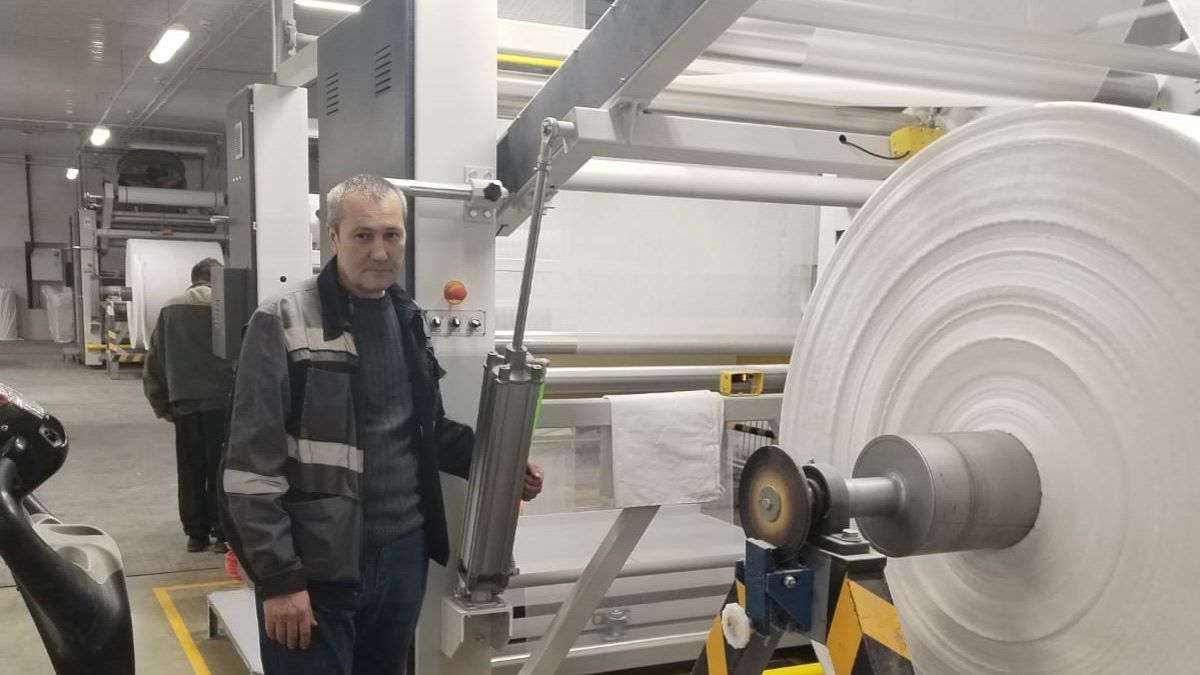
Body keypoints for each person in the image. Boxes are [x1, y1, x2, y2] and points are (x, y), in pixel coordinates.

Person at [220, 174, 544, 675]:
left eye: (391, 235)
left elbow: (425, 430)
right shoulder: (281, 320)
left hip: (401, 555)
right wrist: (279, 580)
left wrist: (502, 463)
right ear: (333, 237)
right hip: (316, 563)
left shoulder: (406, 317)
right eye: (363, 236)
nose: (379, 251)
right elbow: (249, 470)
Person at [144, 257, 233, 553]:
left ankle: (196, 535)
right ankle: (222, 533)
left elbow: (155, 359)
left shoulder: (170, 307)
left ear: (194, 277)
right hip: (223, 403)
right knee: (221, 468)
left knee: (190, 469)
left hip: (184, 402)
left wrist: (160, 402)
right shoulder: (229, 305)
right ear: (217, 277)